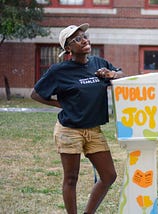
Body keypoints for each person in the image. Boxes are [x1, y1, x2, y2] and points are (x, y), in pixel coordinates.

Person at [31, 23, 125, 214]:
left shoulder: (99, 63)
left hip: (94, 130)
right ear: (68, 48)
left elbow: (122, 75)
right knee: (71, 178)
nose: (84, 40)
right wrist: (59, 104)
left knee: (109, 176)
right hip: (69, 130)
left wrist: (112, 74)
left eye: (85, 36)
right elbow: (35, 94)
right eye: (78, 39)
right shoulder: (59, 71)